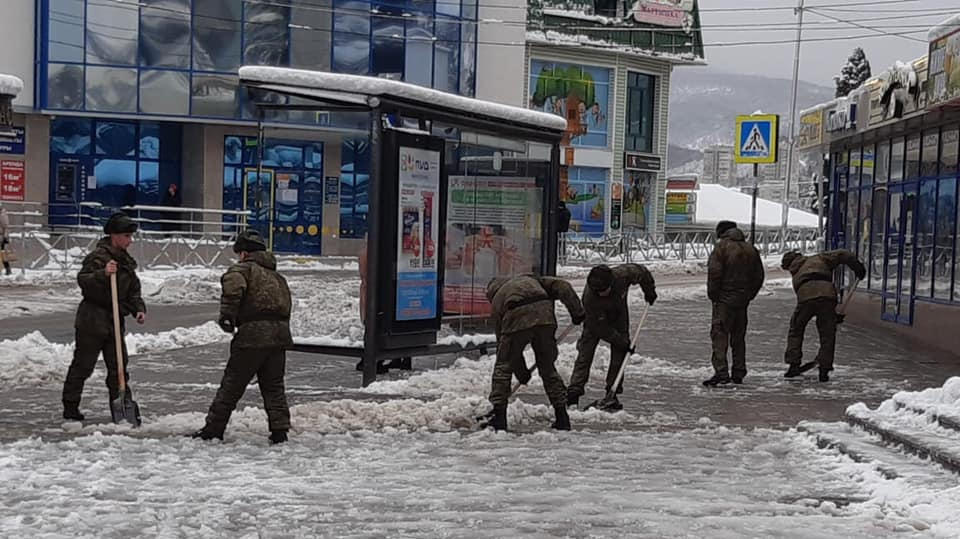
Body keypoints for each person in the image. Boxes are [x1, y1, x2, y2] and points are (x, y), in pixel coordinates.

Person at [192, 229, 293, 444]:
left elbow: (233, 290)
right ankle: (280, 431)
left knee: (232, 384)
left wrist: (227, 317)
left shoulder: (242, 270)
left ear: (244, 253)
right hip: (279, 337)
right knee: (274, 386)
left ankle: (213, 429)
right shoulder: (278, 277)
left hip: (252, 337)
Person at [61, 213, 146, 421]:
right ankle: (70, 406)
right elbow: (84, 281)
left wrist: (138, 308)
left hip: (114, 321)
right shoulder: (98, 258)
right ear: (114, 236)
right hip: (92, 319)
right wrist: (103, 274)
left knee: (118, 367)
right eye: (126, 236)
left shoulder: (125, 261)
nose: (130, 240)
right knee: (83, 365)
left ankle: (121, 409)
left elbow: (133, 289)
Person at [485, 274, 585, 432]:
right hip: (545, 315)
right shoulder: (532, 279)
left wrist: (521, 372)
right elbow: (563, 286)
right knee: (547, 368)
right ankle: (562, 417)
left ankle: (499, 417)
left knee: (503, 367)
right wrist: (577, 312)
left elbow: (506, 350)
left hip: (516, 314)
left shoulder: (498, 301)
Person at [567, 264, 657, 410]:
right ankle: (573, 393)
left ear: (611, 283)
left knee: (620, 353)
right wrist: (620, 340)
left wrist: (649, 291)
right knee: (585, 352)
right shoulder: (590, 298)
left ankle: (612, 392)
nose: (600, 294)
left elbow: (642, 272)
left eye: (603, 290)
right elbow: (598, 328)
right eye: (598, 292)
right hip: (595, 320)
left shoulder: (623, 275)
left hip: (619, 314)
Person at [781, 250, 866, 382]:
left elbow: (811, 296)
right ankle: (824, 369)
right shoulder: (820, 258)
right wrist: (858, 268)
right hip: (827, 296)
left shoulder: (796, 272)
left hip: (806, 299)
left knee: (796, 329)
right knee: (827, 333)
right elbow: (843, 254)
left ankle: (793, 365)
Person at [704, 220, 764, 387]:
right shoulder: (750, 249)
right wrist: (749, 295)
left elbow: (714, 274)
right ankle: (739, 371)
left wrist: (714, 296)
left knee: (720, 335)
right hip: (742, 301)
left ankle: (721, 372)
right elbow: (759, 276)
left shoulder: (722, 248)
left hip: (724, 300)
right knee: (739, 338)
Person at [1, 205, 11, 275]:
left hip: (1, 237)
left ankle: (7, 269)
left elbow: (6, 227)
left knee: (2, 254)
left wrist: (5, 237)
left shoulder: (2, 215)